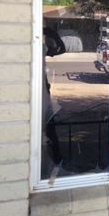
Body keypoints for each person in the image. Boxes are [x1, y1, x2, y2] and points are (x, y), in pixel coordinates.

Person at [42, 26, 66, 183]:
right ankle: (52, 161)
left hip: (43, 88)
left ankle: (57, 160)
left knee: (49, 123)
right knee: (45, 124)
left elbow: (60, 49)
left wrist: (50, 32)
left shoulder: (43, 40)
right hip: (38, 88)